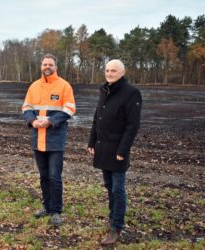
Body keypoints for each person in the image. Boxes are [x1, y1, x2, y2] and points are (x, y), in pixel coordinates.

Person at [87, 59, 142, 246]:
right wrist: (92, 140)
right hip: (103, 148)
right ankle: (112, 217)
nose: (109, 73)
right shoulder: (104, 90)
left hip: (118, 150)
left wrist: (123, 150)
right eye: (107, 70)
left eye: (113, 71)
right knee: (109, 185)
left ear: (122, 72)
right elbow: (97, 117)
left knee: (118, 189)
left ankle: (116, 227)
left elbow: (132, 125)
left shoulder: (131, 93)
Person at [22, 54, 76, 226]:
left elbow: (70, 108)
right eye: (44, 64)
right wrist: (32, 120)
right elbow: (26, 106)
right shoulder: (34, 86)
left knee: (54, 177)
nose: (47, 67)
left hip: (55, 139)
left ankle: (56, 211)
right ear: (41, 66)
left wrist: (51, 121)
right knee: (44, 176)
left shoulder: (64, 86)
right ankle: (46, 206)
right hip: (38, 138)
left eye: (50, 64)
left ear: (55, 66)